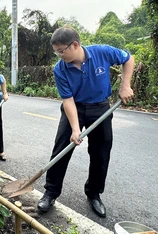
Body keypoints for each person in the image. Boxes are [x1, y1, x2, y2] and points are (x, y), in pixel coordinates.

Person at [37, 26, 134, 218]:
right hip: (75, 108)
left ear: (75, 44)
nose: (59, 55)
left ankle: (94, 193)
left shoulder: (102, 52)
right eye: (56, 52)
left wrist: (125, 85)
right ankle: (50, 192)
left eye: (61, 51)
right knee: (61, 149)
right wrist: (75, 128)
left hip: (100, 108)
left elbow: (128, 58)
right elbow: (68, 101)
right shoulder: (60, 69)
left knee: (100, 152)